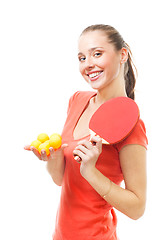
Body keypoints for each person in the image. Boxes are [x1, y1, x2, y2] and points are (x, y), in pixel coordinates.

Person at [25, 24, 148, 240]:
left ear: (122, 55)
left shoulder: (132, 126)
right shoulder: (77, 100)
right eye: (81, 58)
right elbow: (62, 180)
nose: (88, 65)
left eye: (97, 54)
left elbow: (137, 208)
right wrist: (53, 159)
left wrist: (91, 172)